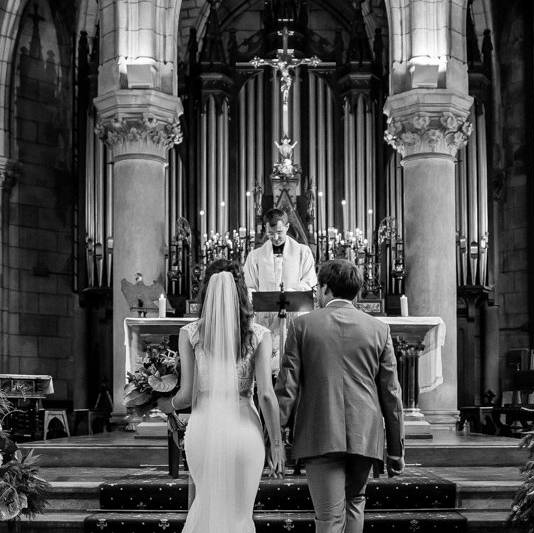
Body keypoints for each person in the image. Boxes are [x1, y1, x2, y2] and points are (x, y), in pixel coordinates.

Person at [275, 259, 406, 533]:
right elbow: (391, 394)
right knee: (355, 503)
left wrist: (274, 437)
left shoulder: (303, 326)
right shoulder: (379, 329)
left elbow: (288, 387)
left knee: (330, 517)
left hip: (320, 431)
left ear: (325, 288)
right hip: (365, 434)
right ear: (356, 291)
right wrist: (396, 449)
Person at [158, 259, 285, 532]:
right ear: (242, 291)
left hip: (204, 430)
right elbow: (265, 395)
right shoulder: (259, 335)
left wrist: (164, 404)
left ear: (206, 291)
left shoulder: (190, 333)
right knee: (240, 515)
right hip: (244, 432)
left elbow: (186, 396)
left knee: (206, 505)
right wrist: (277, 444)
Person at [243, 208, 317, 374]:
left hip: (294, 315)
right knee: (266, 365)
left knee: (293, 364)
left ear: (288, 226)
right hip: (265, 317)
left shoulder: (303, 252)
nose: (275, 238)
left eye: (279, 232)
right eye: (270, 233)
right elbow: (249, 285)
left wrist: (287, 294)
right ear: (265, 230)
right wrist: (253, 296)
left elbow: (309, 282)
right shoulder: (255, 256)